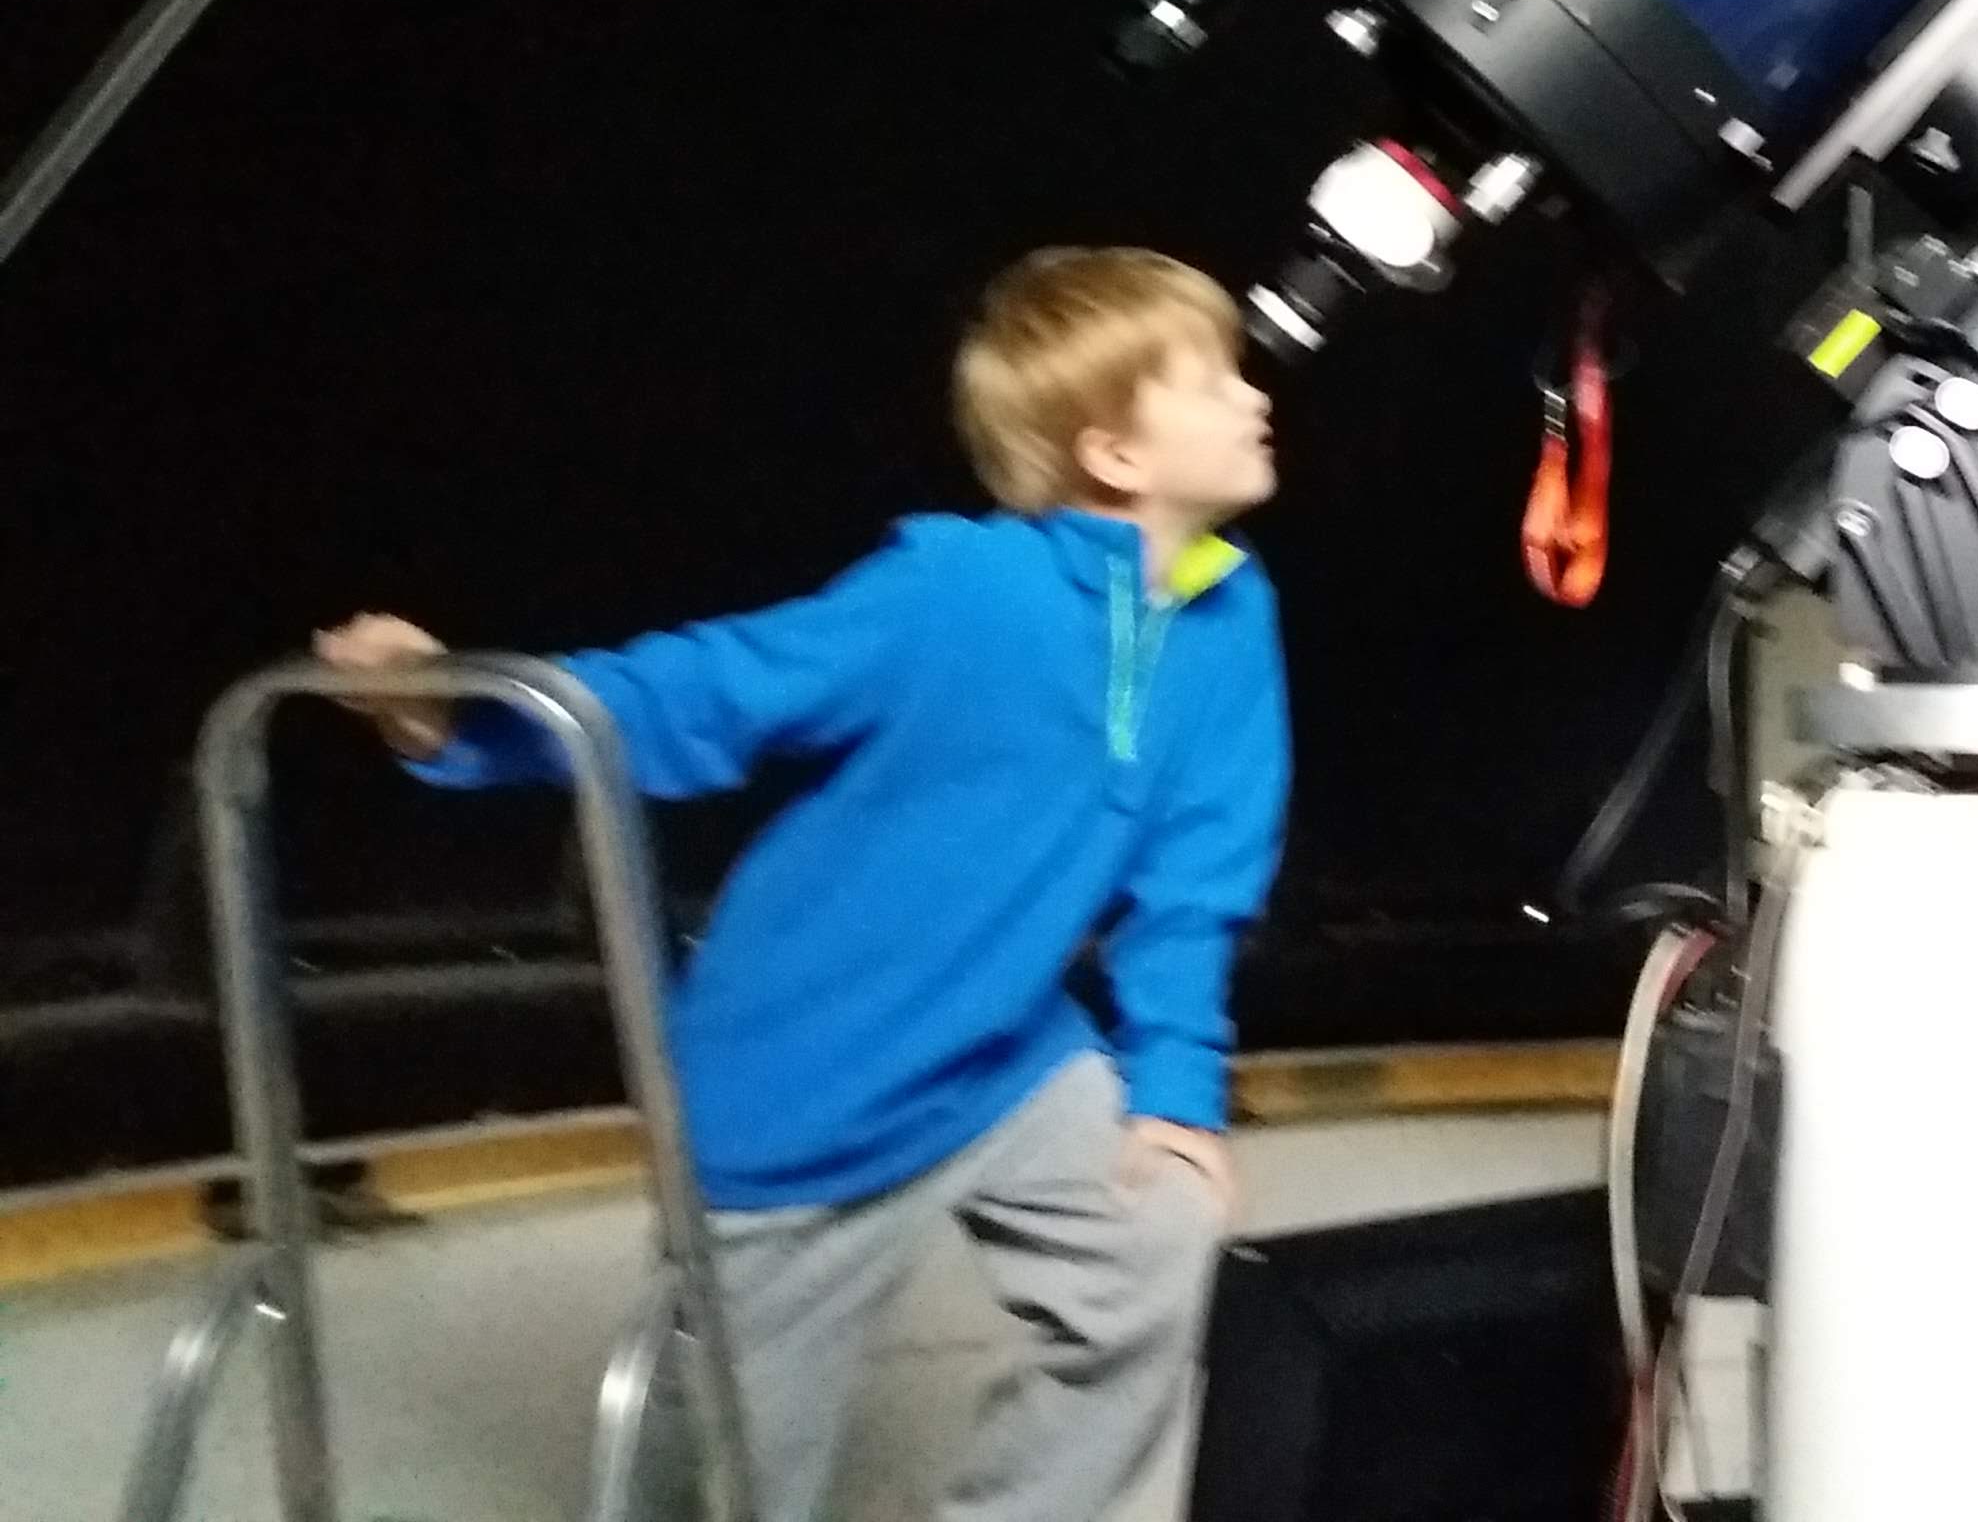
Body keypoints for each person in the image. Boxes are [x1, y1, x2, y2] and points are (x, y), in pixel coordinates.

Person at [317, 245, 1290, 1522]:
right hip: (807, 1083)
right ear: (1112, 452)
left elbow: (1196, 883)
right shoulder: (959, 587)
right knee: (733, 1481)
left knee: (1157, 1233)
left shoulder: (1232, 616)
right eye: (1214, 381)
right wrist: (461, 712)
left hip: (1009, 1058)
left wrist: (1176, 1090)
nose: (1255, 397)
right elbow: (718, 689)